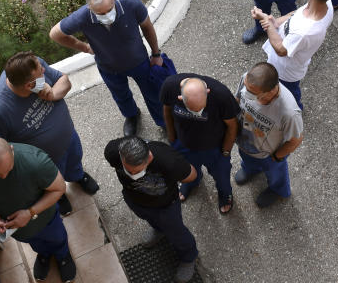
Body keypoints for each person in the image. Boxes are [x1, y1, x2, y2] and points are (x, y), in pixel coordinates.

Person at [0, 52, 100, 219]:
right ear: (29, 86)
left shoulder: (34, 65)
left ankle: (78, 176)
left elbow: (63, 80)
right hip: (45, 162)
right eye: (41, 72)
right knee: (51, 183)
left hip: (68, 138)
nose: (44, 69)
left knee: (74, 160)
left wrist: (53, 94)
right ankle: (58, 195)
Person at [49, 0, 166, 137]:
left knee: (152, 93)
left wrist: (156, 54)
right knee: (121, 96)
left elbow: (147, 27)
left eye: (110, 9)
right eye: (101, 13)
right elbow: (55, 33)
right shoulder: (82, 16)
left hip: (139, 62)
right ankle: (131, 116)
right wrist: (83, 47)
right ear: (90, 8)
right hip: (109, 67)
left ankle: (163, 121)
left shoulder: (131, 3)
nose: (107, 16)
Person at [0, 139, 75, 283]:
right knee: (34, 243)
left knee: (57, 238)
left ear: (12, 150)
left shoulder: (36, 162)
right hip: (16, 228)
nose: (3, 176)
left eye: (8, 170)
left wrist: (30, 213)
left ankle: (63, 256)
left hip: (46, 219)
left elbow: (59, 188)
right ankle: (44, 254)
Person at [104, 136, 199, 282]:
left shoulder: (168, 160)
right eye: (129, 171)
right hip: (136, 200)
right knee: (151, 219)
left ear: (149, 157)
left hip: (166, 206)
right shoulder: (112, 152)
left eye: (138, 172)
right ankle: (159, 230)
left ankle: (189, 257)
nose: (134, 176)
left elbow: (191, 175)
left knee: (177, 233)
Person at [252, 0, 338, 109]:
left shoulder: (304, 32)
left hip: (286, 71)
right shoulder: (323, 3)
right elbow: (296, 13)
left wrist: (267, 23)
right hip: (290, 60)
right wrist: (277, 22)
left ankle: (295, 111)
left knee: (289, 95)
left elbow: (281, 49)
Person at [160, 73, 239, 214]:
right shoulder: (170, 87)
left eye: (201, 109)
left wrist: (226, 152)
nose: (197, 114)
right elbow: (166, 110)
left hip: (215, 149)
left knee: (222, 177)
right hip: (184, 145)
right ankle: (191, 183)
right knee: (187, 171)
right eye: (192, 110)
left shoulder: (222, 95)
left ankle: (225, 195)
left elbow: (232, 126)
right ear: (180, 98)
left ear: (207, 92)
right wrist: (172, 138)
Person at [234, 62, 303, 207]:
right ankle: (250, 169)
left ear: (271, 92)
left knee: (276, 174)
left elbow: (296, 140)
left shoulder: (289, 113)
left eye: (252, 92)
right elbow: (237, 100)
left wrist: (276, 157)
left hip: (268, 154)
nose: (246, 92)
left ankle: (278, 190)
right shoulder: (248, 80)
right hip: (245, 142)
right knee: (247, 158)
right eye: (246, 86)